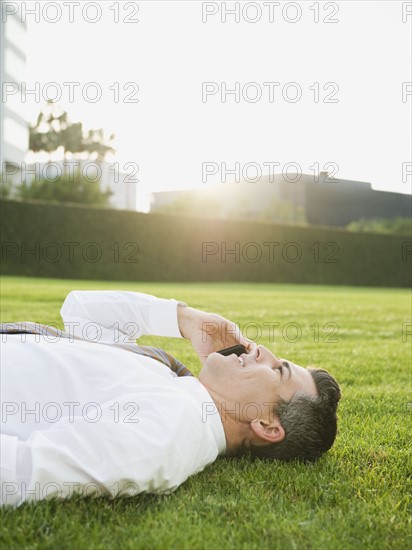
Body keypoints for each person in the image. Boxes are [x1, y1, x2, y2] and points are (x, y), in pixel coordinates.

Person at [0, 290, 340, 507]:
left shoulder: (169, 432)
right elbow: (80, 310)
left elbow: (22, 473)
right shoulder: (173, 381)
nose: (263, 350)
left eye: (277, 370)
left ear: (266, 425)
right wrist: (188, 320)